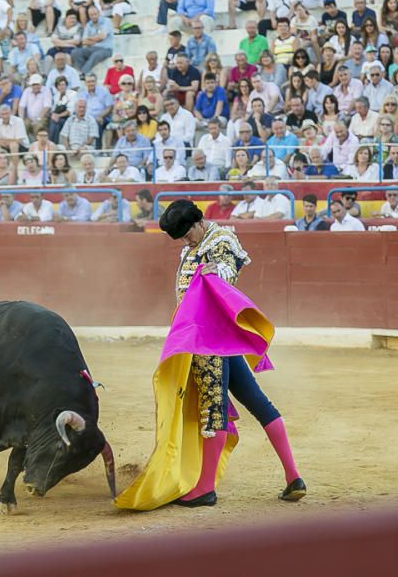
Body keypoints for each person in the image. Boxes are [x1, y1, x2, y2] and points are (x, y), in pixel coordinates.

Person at [117, 200, 306, 511]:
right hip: (212, 338)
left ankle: (205, 490)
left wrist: (217, 272)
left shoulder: (220, 241)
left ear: (198, 222)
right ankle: (293, 477)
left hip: (209, 339)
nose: (184, 240)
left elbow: (227, 271)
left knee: (212, 409)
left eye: (186, 233)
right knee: (257, 402)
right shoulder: (194, 246)